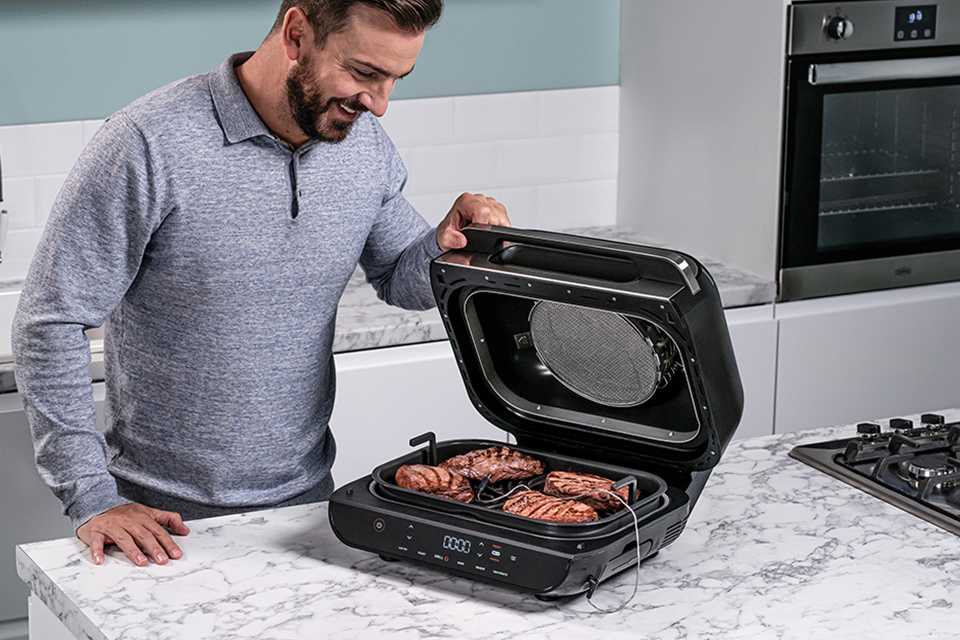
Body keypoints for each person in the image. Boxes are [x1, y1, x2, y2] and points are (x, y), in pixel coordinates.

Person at [12, 0, 510, 568]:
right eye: (364, 73)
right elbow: (50, 321)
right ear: (297, 34)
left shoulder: (364, 144)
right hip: (160, 524)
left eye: (396, 79)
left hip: (306, 505)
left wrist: (448, 245)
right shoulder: (147, 142)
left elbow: (401, 276)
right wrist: (92, 498)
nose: (379, 104)